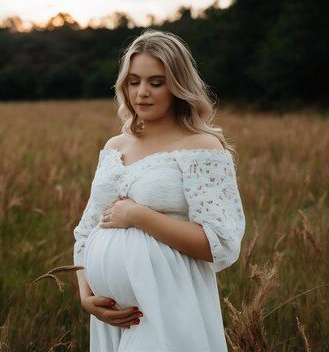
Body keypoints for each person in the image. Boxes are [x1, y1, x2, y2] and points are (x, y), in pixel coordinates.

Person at [73, 29, 245, 351]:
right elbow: (86, 231)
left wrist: (139, 215)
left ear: (178, 87)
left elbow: (219, 242)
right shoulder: (115, 146)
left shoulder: (202, 148)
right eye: (134, 81)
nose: (142, 93)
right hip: (111, 317)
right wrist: (86, 294)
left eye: (156, 82)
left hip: (169, 305)